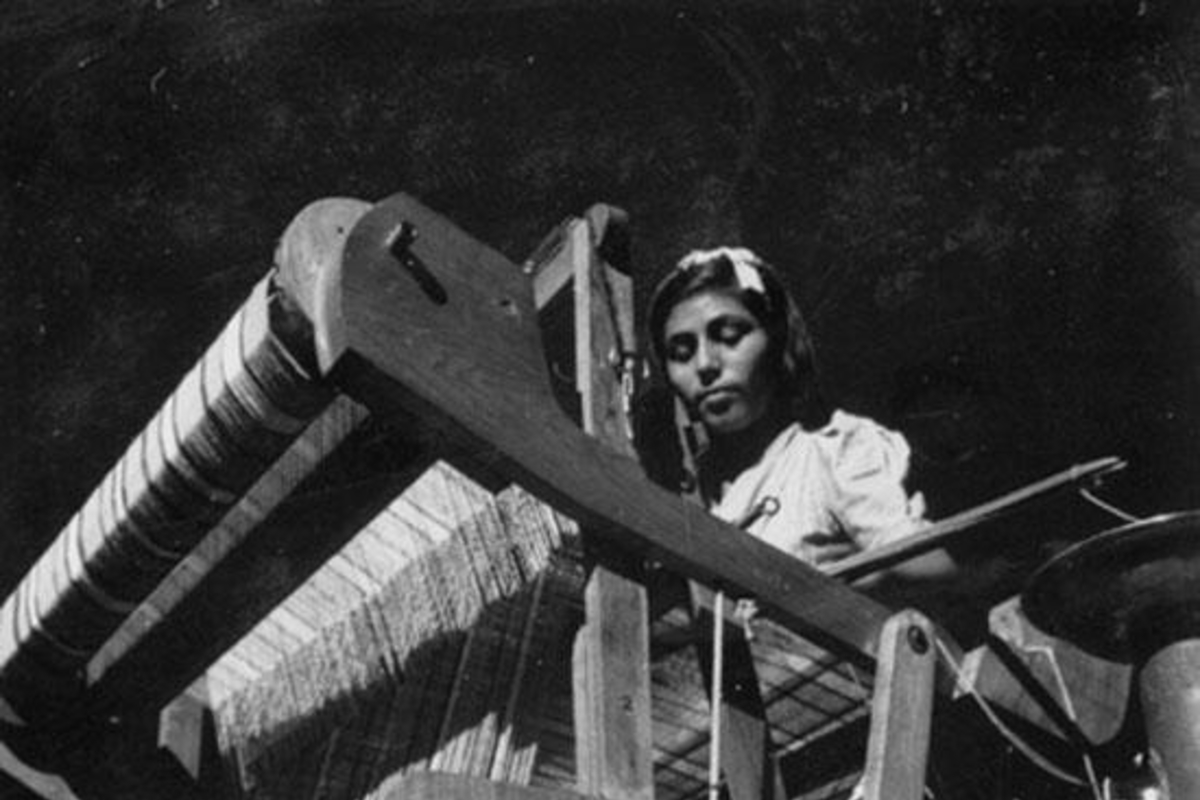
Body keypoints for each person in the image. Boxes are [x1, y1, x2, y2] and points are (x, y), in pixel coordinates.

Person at [645, 246, 953, 588]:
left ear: (779, 341)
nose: (705, 365)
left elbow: (934, 575)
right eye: (681, 353)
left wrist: (858, 584)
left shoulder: (832, 454)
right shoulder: (693, 493)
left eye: (730, 337)